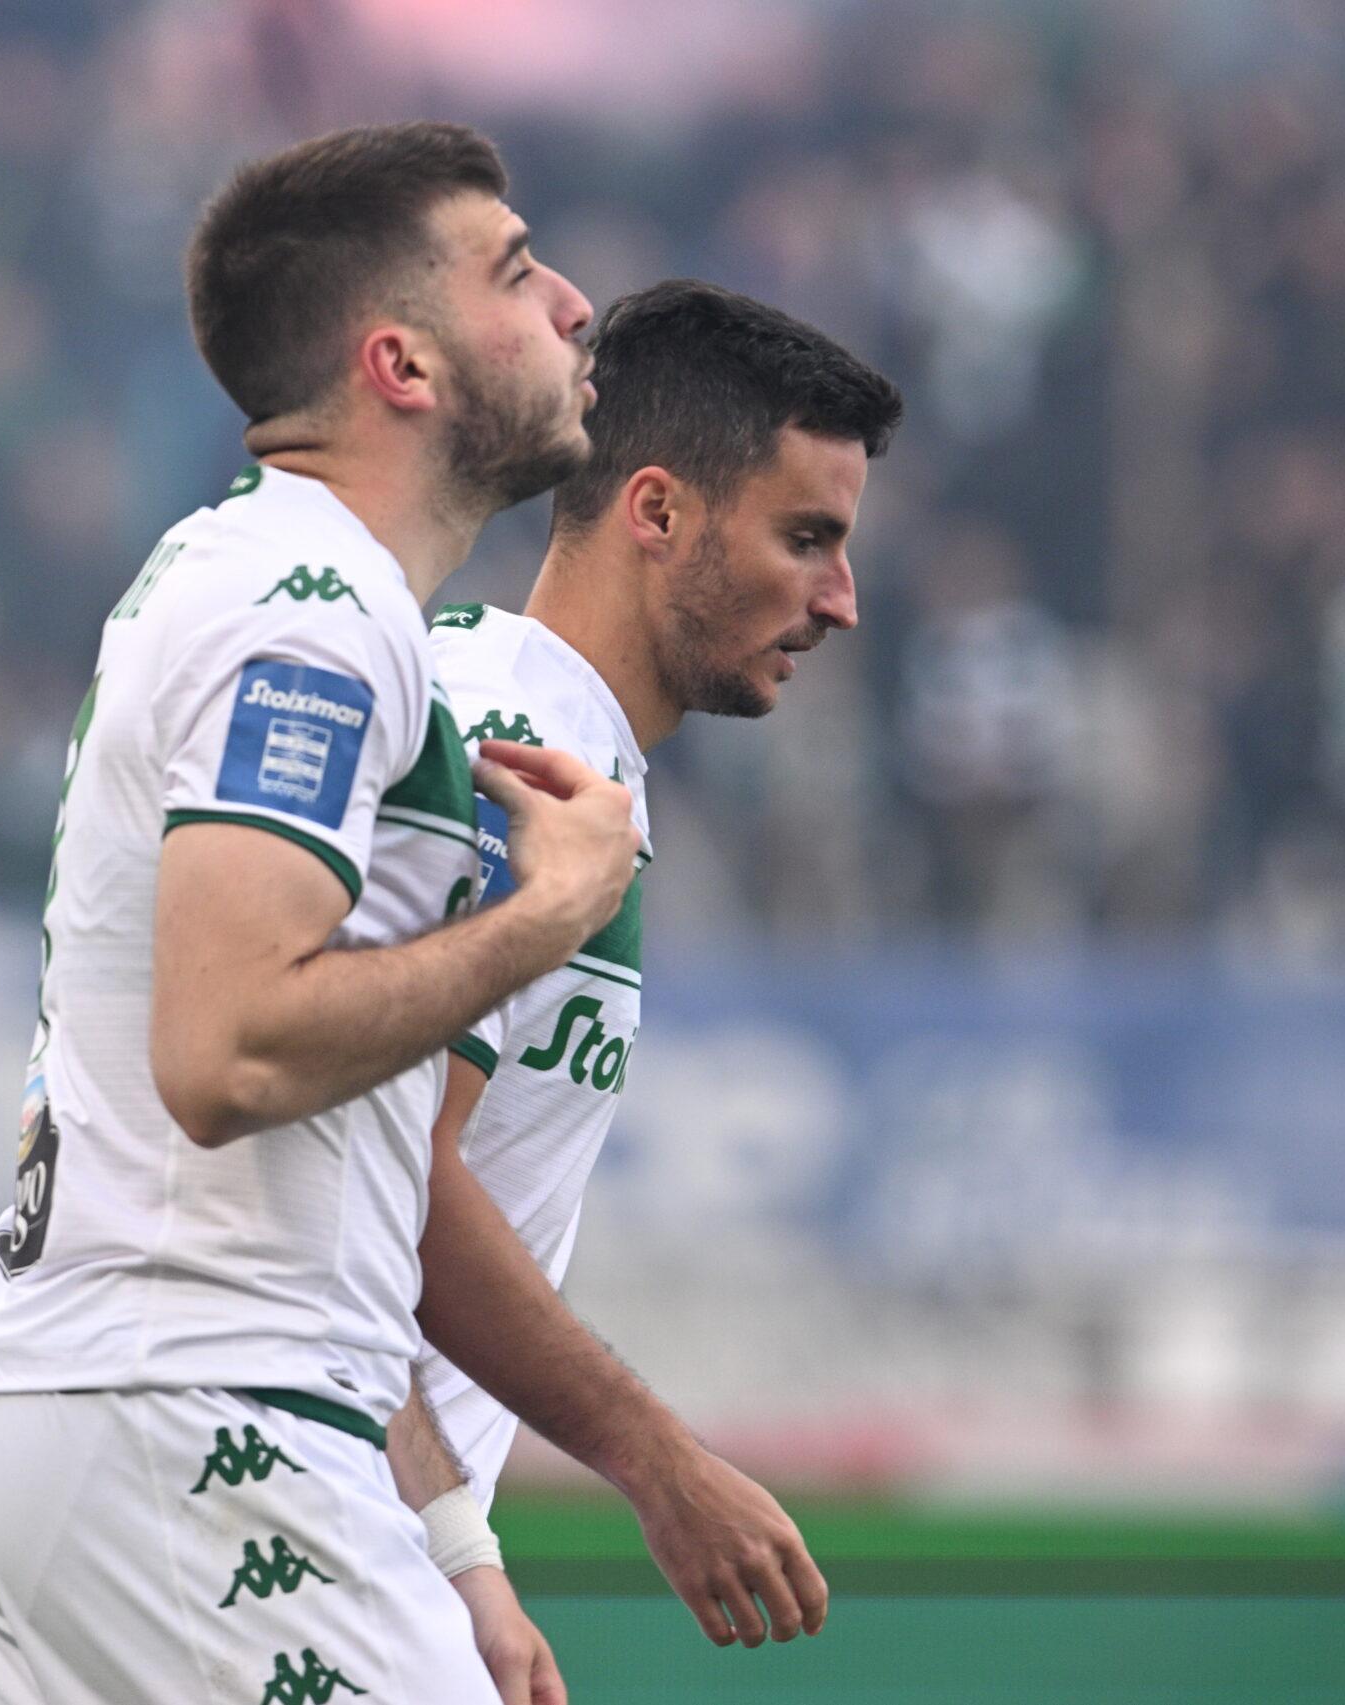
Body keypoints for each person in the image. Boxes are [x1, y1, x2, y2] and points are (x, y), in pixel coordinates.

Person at [0, 122, 643, 1704]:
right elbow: (230, 1050)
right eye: (517, 273)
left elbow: (329, 1193)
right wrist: (550, 910)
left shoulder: (274, 579)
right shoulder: (308, 615)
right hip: (194, 1413)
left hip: (147, 1406)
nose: (575, 305)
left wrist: (454, 1545)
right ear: (403, 362)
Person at [389, 279, 904, 1700]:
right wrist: (660, 1464)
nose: (842, 601)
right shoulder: (512, 762)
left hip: (353, 1515)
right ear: (659, 511)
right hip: (285, 1521)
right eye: (807, 538)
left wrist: (458, 1556)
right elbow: (382, 1183)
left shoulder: (535, 732)